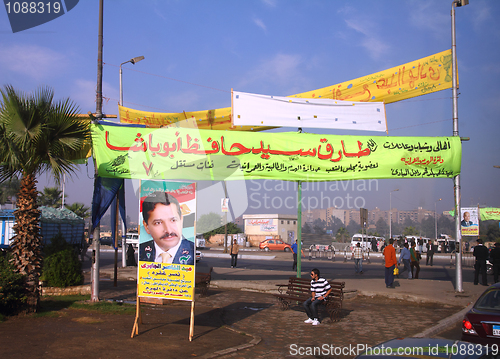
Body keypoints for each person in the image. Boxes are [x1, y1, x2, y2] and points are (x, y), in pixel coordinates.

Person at [139, 191, 194, 265]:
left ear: (181, 221)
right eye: (158, 223)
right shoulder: (141, 252)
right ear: (146, 227)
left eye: (173, 220)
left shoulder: (193, 252)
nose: (168, 230)